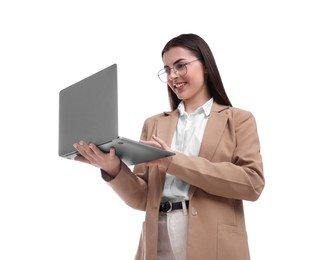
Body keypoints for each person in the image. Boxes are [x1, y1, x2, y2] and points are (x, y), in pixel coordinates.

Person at [73, 33, 265, 260]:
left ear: (205, 65)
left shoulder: (238, 119)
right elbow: (143, 198)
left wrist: (174, 162)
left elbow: (252, 184)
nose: (173, 76)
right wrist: (114, 168)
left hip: (212, 240)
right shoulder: (154, 124)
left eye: (180, 66)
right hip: (157, 236)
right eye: (167, 70)